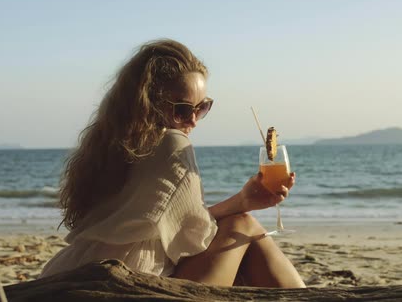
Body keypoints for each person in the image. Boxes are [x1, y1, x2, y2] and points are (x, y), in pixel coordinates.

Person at [39, 39, 306, 288]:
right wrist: (241, 208)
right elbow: (195, 239)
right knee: (243, 226)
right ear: (148, 104)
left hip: (74, 274)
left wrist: (242, 201)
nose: (193, 121)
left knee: (242, 223)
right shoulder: (172, 143)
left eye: (202, 107)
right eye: (182, 109)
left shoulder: (111, 147)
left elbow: (173, 225)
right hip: (126, 285)